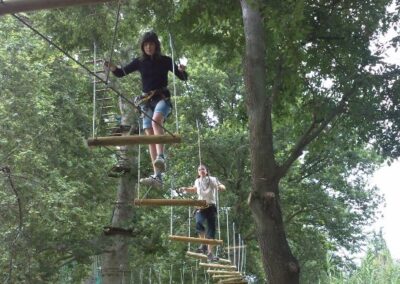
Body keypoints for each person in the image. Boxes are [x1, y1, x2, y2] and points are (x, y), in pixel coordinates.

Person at [104, 31, 188, 188]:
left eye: (151, 44)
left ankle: (161, 157)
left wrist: (183, 70)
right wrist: (113, 67)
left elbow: (182, 77)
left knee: (157, 121)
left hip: (162, 98)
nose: (149, 47)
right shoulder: (139, 62)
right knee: (149, 135)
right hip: (145, 101)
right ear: (143, 47)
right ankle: (157, 177)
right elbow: (121, 73)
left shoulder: (165, 60)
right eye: (146, 45)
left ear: (156, 45)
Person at [179, 164, 226, 262]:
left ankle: (210, 253)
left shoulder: (212, 179)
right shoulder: (197, 181)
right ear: (198, 172)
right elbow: (194, 189)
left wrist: (221, 187)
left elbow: (220, 185)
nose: (201, 171)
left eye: (203, 169)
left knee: (211, 230)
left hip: (211, 206)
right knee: (198, 223)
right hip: (200, 206)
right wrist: (185, 189)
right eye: (199, 169)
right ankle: (203, 244)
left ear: (206, 171)